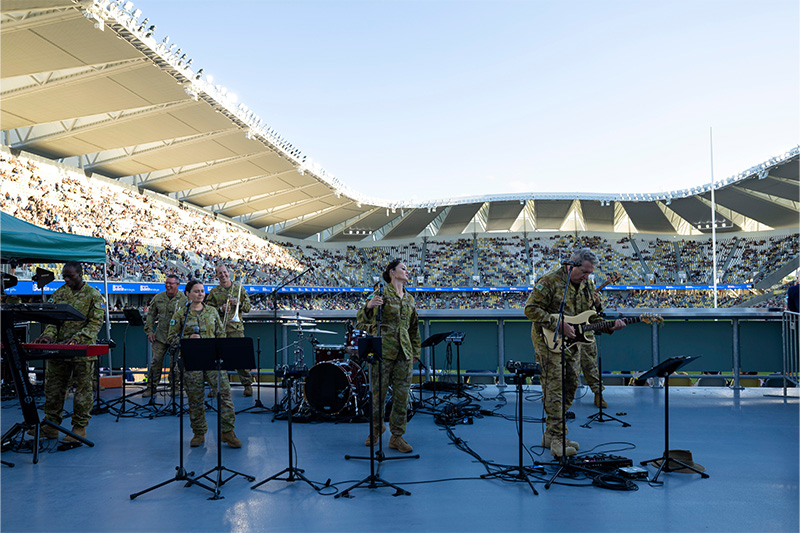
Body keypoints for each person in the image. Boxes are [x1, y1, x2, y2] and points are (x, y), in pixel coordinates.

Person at [524, 248, 625, 457]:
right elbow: (530, 309)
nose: (587, 277)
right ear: (572, 265)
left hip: (573, 344)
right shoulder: (550, 281)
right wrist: (557, 323)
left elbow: (589, 318)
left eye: (590, 273)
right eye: (584, 272)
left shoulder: (587, 284)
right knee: (554, 389)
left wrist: (608, 326)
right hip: (548, 342)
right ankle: (558, 440)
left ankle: (550, 435)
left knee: (570, 386)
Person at [31, 261, 105, 442]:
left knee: (82, 390)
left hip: (82, 351)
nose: (66, 279)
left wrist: (77, 339)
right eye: (64, 276)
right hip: (59, 350)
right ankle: (51, 425)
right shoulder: (60, 293)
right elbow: (52, 321)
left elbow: (95, 323)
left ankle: (79, 428)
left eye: (70, 276)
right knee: (53, 388)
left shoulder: (93, 296)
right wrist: (47, 336)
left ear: (80, 274)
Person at [167, 279, 241, 448]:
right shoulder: (180, 315)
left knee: (224, 395)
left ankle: (227, 432)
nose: (200, 294)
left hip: (213, 360)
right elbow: (171, 338)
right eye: (196, 291)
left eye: (202, 291)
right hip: (192, 361)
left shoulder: (212, 312)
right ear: (188, 294)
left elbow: (220, 334)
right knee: (195, 398)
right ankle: (198, 433)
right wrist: (186, 339)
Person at [358, 259, 421, 453]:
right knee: (378, 394)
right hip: (382, 351)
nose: (407, 271)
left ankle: (397, 436)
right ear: (392, 272)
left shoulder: (410, 299)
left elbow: (414, 328)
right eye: (404, 268)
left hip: (404, 353)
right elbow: (361, 320)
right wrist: (369, 306)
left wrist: (416, 352)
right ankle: (376, 430)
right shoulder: (381, 293)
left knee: (401, 397)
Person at [206, 264, 253, 397]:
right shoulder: (214, 292)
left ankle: (247, 385)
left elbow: (248, 307)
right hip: (220, 329)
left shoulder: (238, 288)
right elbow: (208, 309)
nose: (223, 275)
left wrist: (238, 304)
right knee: (218, 359)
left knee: (240, 357)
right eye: (220, 273)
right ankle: (217, 387)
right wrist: (220, 309)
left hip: (236, 329)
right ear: (217, 275)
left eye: (225, 272)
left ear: (228, 272)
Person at [142, 274, 188, 397]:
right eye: (166, 283)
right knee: (155, 361)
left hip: (176, 337)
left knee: (175, 364)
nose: (168, 285)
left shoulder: (184, 300)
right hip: (160, 336)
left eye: (171, 283)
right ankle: (151, 387)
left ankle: (174, 387)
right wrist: (149, 331)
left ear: (177, 285)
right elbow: (150, 315)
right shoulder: (158, 298)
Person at [578, 277, 607, 409]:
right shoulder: (563, 285)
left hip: (586, 333)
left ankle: (598, 394)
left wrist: (597, 303)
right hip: (567, 331)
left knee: (591, 365)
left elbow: (597, 313)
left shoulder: (589, 285)